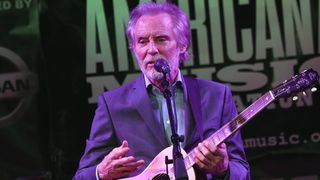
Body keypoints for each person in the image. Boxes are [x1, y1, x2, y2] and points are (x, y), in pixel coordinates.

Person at [73, 2, 250, 180]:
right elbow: (82, 175)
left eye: (161, 39)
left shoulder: (217, 96)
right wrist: (100, 173)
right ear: (134, 49)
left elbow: (242, 171)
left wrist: (224, 170)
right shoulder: (112, 104)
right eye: (142, 41)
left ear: (182, 45)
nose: (151, 50)